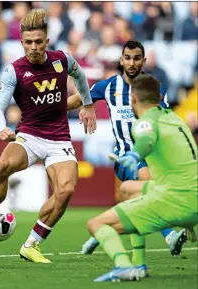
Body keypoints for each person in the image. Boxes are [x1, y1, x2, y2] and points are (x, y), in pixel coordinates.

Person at [0, 8, 96, 263]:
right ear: (21, 42)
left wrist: (87, 103)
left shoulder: (61, 60)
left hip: (59, 139)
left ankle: (32, 245)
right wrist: (1, 128)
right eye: (28, 42)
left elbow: (81, 76)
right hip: (29, 135)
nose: (33, 47)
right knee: (5, 164)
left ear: (47, 41)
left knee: (66, 190)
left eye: (38, 42)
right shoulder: (14, 71)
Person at [67, 40, 185, 256]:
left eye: (136, 58)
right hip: (125, 156)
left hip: (154, 155)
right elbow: (78, 99)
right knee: (148, 184)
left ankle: (100, 230)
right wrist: (75, 106)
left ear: (144, 61)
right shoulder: (109, 86)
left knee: (135, 200)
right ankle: (169, 236)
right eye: (127, 58)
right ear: (121, 60)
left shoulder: (156, 88)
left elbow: (166, 121)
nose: (131, 63)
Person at [86, 74, 198, 282]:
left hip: (176, 201)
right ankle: (140, 263)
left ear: (134, 98)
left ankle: (124, 266)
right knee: (128, 189)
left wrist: (135, 154)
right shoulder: (176, 119)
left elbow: (146, 139)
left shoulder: (143, 123)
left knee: (96, 224)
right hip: (192, 198)